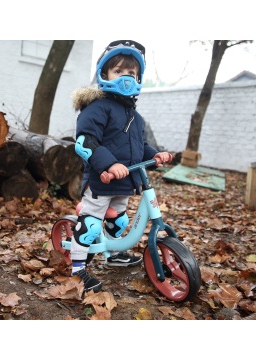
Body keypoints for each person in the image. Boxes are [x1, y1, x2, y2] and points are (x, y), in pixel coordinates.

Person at [70, 40, 172, 292]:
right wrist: (110, 163)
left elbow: (138, 146)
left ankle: (114, 255)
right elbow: (85, 142)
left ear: (138, 79)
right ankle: (77, 269)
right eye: (118, 71)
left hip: (125, 181)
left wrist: (155, 154)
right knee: (91, 223)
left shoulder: (135, 117)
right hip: (102, 179)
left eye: (131, 73)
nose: (125, 77)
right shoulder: (97, 108)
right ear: (104, 74)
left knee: (118, 221)